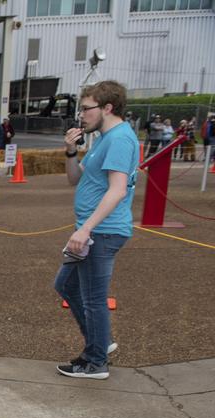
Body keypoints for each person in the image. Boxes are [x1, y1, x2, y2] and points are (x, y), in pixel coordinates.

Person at [54, 80, 137, 381]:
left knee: (92, 297)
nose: (82, 115)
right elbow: (75, 179)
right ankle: (99, 342)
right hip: (94, 230)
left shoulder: (118, 140)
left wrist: (86, 229)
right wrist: (70, 151)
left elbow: (116, 191)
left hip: (101, 232)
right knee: (66, 285)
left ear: (107, 108)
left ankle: (95, 361)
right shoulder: (103, 138)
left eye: (86, 109)